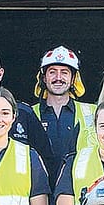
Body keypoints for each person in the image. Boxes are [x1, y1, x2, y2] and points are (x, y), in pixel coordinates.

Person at [29, 47, 87, 175]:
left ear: (73, 79)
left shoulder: (92, 113)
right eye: (52, 72)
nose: (58, 78)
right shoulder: (28, 114)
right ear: (43, 78)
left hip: (77, 188)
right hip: (38, 190)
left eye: (64, 72)